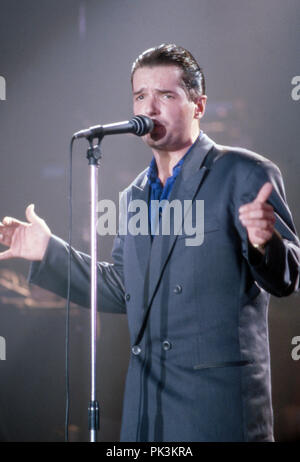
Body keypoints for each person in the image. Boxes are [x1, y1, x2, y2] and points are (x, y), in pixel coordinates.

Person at [0, 44, 299, 442]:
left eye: (166, 95)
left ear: (199, 106)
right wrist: (48, 250)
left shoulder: (244, 172)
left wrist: (267, 243)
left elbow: (287, 279)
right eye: (141, 96)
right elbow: (124, 288)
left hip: (218, 414)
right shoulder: (133, 197)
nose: (149, 108)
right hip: (146, 412)